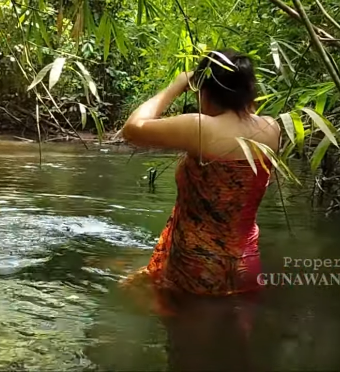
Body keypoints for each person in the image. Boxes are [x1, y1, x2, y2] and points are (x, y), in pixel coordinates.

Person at [119, 49, 281, 371]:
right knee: (237, 355)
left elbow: (133, 128)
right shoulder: (272, 129)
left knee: (186, 357)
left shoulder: (201, 128)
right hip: (246, 262)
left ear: (206, 91)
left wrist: (177, 85)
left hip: (198, 268)